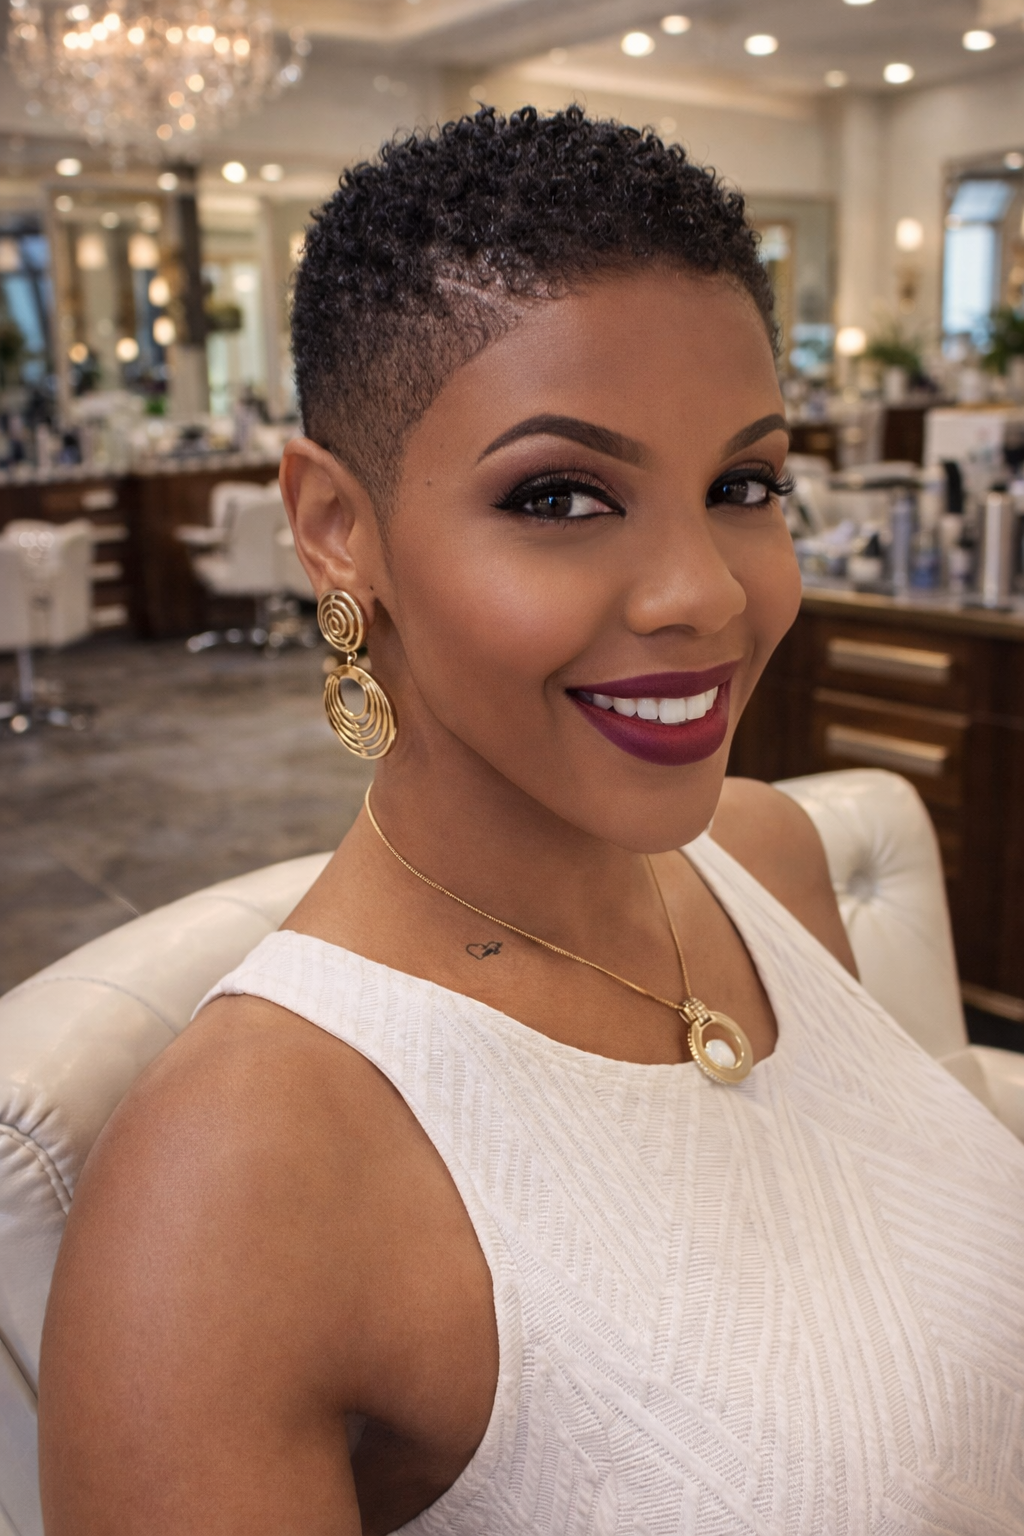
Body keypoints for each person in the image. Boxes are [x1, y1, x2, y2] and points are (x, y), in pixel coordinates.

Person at [39, 108, 1024, 1535]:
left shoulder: (771, 857)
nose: (705, 593)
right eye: (561, 496)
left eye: (745, 485)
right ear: (336, 528)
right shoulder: (235, 1183)